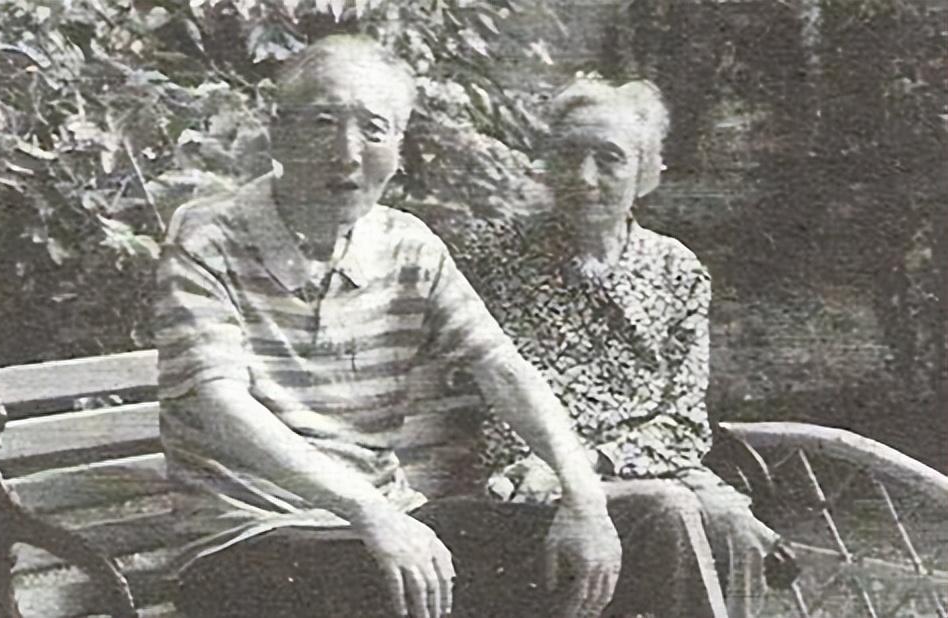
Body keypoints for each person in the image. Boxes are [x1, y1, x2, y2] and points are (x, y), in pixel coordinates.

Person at [155, 36, 622, 618]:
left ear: (398, 147)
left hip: (385, 528)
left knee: (634, 533)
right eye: (323, 123)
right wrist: (369, 512)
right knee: (404, 583)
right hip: (249, 541)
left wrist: (585, 498)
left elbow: (503, 369)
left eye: (373, 129)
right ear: (279, 132)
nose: (347, 153)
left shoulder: (408, 245)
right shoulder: (208, 240)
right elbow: (221, 406)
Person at [464, 75, 787, 617]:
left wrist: (593, 462)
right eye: (569, 156)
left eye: (609, 158)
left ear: (647, 173)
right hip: (529, 478)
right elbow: (493, 391)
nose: (584, 177)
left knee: (731, 524)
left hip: (646, 470)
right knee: (679, 510)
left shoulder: (676, 270)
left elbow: (683, 423)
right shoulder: (495, 257)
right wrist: (557, 469)